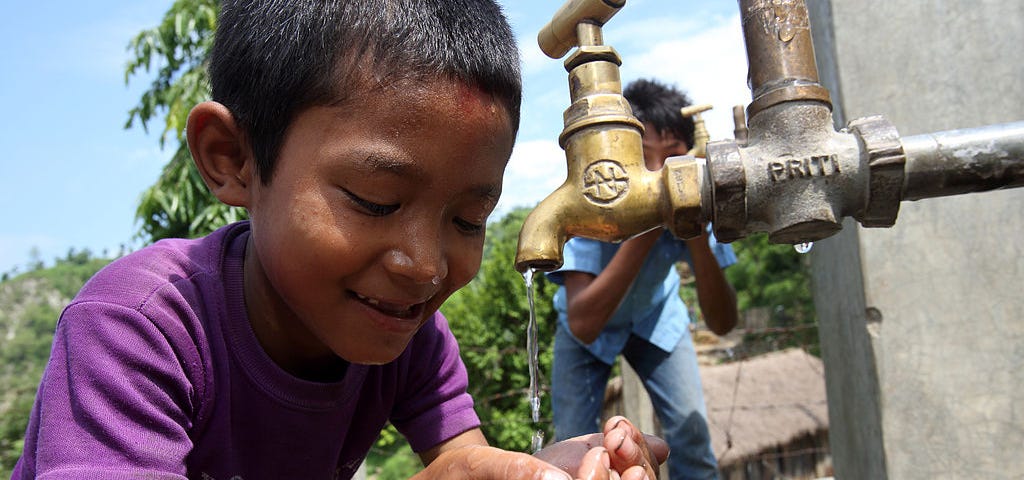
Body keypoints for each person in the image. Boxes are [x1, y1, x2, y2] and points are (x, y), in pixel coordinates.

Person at [11, 2, 667, 479]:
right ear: (233, 158)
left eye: (469, 219)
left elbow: (460, 459)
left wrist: (534, 471)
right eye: (375, 201)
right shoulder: (138, 329)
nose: (423, 265)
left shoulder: (408, 334)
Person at [547, 78, 740, 480]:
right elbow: (583, 325)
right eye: (644, 158)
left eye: (672, 160)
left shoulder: (700, 203)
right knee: (571, 451)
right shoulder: (592, 203)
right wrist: (647, 227)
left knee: (693, 444)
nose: (658, 174)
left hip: (657, 318)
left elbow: (722, 322)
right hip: (586, 335)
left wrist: (695, 230)